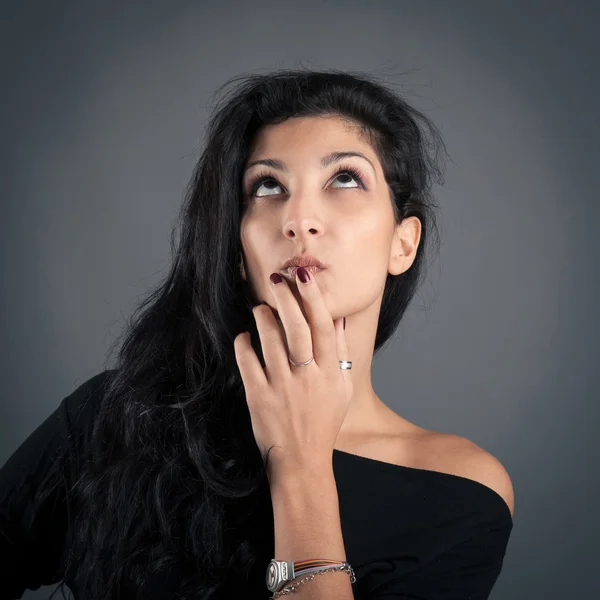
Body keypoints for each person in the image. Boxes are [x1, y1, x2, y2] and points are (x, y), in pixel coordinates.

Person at [0, 68, 514, 600]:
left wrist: (301, 465)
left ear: (401, 245)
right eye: (268, 185)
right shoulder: (121, 413)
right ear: (241, 254)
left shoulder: (459, 488)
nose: (298, 219)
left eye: (344, 178)